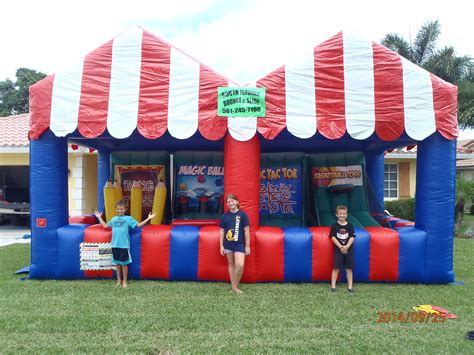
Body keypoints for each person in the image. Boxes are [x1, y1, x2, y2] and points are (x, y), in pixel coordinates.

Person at [94, 200, 156, 288]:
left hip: (124, 245)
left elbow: (138, 225)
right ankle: (119, 280)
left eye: (121, 209)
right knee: (117, 264)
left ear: (125, 209)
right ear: (116, 209)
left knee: (124, 264)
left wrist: (148, 218)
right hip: (115, 245)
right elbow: (105, 226)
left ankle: (125, 281)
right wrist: (99, 217)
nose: (120, 210)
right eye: (118, 209)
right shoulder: (114, 219)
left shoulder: (128, 219)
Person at [219, 194, 250, 294]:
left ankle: (235, 286)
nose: (230, 203)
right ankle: (234, 287)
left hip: (239, 244)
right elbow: (221, 232)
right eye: (228, 202)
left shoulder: (242, 215)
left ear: (237, 202)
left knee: (240, 265)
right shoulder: (224, 216)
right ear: (227, 204)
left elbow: (246, 231)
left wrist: (248, 246)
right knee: (231, 264)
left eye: (232, 201)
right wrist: (221, 246)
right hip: (227, 245)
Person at [329, 205, 356, 293]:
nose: (342, 215)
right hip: (338, 250)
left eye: (344, 214)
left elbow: (352, 237)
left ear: (347, 215)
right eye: (340, 214)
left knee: (349, 268)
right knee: (336, 268)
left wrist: (347, 246)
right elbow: (333, 237)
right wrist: (340, 247)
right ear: (336, 214)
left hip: (348, 250)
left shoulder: (350, 225)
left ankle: (350, 287)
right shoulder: (334, 226)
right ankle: (333, 286)